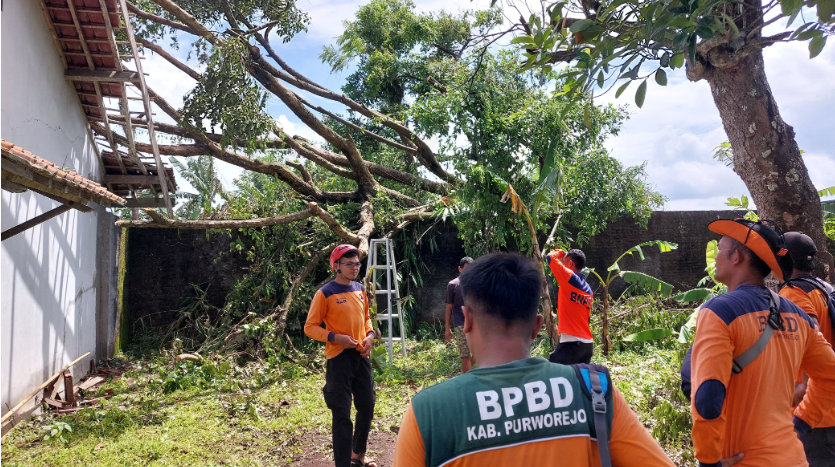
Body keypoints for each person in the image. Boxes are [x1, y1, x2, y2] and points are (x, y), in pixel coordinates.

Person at [393, 252, 675, 467]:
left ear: (466, 320)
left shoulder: (427, 412)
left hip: (571, 342)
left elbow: (551, 259)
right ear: (538, 325)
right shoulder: (596, 391)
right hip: (585, 343)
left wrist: (558, 255)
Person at [689, 219, 835, 467]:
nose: (717, 256)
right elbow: (831, 377)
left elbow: (707, 396)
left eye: (721, 249)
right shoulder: (797, 315)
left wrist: (708, 461)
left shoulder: (719, 311)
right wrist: (801, 423)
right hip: (793, 458)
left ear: (737, 257)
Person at [304, 244, 377, 467]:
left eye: (357, 264)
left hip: (361, 356)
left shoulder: (360, 289)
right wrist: (336, 337)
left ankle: (358, 454)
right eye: (349, 264)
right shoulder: (325, 293)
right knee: (342, 414)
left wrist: (371, 336)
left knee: (367, 405)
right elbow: (310, 327)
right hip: (338, 359)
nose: (355, 268)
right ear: (336, 266)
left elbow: (366, 319)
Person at [779, 231, 835, 466]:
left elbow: (810, 336)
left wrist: (801, 387)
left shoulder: (793, 293)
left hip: (814, 413)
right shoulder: (825, 288)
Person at [545, 249, 594, 364]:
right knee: (578, 380)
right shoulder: (588, 290)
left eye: (564, 261)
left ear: (570, 264)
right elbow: (587, 318)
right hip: (587, 345)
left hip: (571, 343)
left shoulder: (569, 277)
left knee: (553, 377)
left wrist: (562, 252)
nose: (562, 263)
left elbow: (550, 257)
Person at [445, 256, 474, 373]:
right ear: (459, 269)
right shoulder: (453, 285)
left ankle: (465, 375)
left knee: (477, 353)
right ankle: (466, 383)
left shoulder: (476, 284)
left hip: (476, 324)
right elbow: (449, 307)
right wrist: (447, 329)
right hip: (460, 324)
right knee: (466, 355)